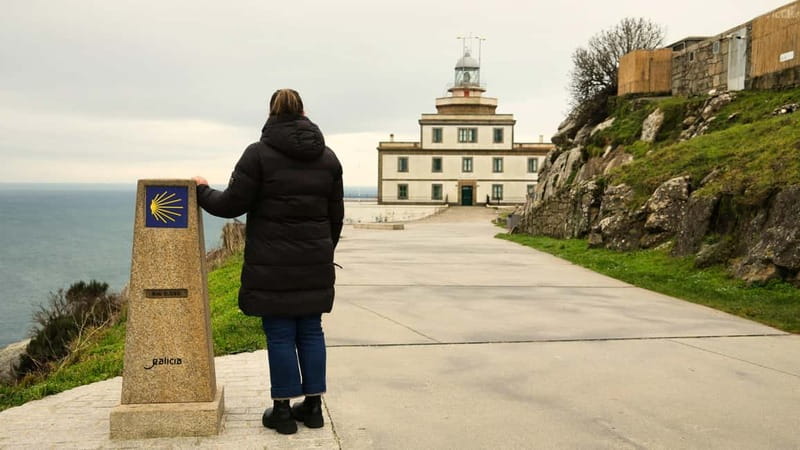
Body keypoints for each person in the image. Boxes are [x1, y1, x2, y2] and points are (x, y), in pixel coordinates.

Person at [193, 89, 344, 435]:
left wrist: (201, 190)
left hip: (271, 265)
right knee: (311, 330)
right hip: (314, 263)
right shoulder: (328, 158)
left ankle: (283, 413)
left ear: (271, 113)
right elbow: (336, 216)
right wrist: (322, 251)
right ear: (304, 112)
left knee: (280, 333)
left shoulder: (258, 155)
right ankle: (314, 408)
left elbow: (230, 204)